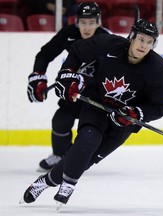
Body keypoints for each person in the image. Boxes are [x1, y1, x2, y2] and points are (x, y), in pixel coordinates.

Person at [21, 19, 163, 208]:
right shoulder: (109, 44)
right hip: (96, 105)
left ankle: (44, 182)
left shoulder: (158, 69)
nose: (144, 45)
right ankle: (69, 185)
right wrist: (68, 75)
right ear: (132, 37)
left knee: (84, 158)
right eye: (141, 39)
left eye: (150, 42)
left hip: (122, 121)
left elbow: (160, 106)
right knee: (87, 140)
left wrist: (136, 113)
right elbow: (76, 50)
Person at [26, 2, 111, 172]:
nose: (87, 28)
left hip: (95, 93)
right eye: (83, 22)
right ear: (77, 22)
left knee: (89, 129)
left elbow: (116, 67)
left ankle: (78, 158)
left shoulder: (106, 38)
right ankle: (60, 155)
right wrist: (38, 76)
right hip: (72, 89)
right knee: (60, 120)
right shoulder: (69, 34)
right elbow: (45, 54)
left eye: (91, 22)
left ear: (98, 22)